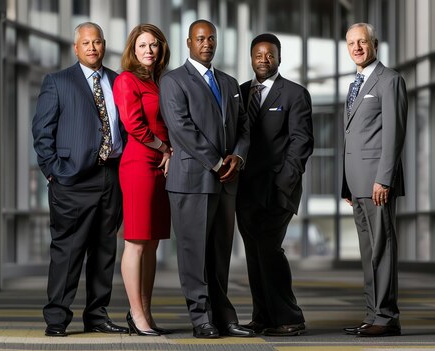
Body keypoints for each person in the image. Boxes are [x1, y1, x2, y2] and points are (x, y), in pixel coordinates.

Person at [32, 22, 128, 337]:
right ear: (76, 48)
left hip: (111, 177)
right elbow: (42, 132)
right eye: (85, 43)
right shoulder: (58, 82)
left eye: (97, 42)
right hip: (72, 181)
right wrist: (53, 172)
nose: (92, 48)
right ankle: (57, 319)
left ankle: (97, 316)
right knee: (68, 251)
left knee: (104, 252)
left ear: (103, 45)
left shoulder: (117, 81)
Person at [159, 19, 253, 339]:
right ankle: (201, 319)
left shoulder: (229, 82)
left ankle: (224, 316)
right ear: (188, 43)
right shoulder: (173, 81)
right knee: (193, 253)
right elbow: (181, 129)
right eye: (200, 39)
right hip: (192, 180)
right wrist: (216, 162)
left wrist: (237, 157)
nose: (207, 44)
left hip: (227, 181)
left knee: (219, 253)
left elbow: (243, 127)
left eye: (211, 38)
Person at [236, 33, 313, 337]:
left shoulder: (295, 94)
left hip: (278, 188)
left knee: (269, 250)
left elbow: (302, 142)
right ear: (251, 58)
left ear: (279, 58)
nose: (264, 60)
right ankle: (263, 316)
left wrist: (284, 182)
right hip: (244, 190)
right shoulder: (239, 93)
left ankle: (290, 317)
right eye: (258, 55)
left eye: (270, 55)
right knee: (254, 253)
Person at [341, 22, 407, 337]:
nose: (357, 47)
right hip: (357, 184)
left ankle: (387, 316)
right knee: (368, 251)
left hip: (377, 183)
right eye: (352, 43)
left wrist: (384, 179)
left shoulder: (389, 80)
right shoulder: (356, 82)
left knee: (382, 248)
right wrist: (346, 184)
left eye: (362, 41)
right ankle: (373, 315)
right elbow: (351, 136)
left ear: (374, 43)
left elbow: (394, 135)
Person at [112, 23, 171, 337]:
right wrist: (164, 148)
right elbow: (134, 124)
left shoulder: (162, 81)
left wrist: (169, 153)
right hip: (139, 162)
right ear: (133, 51)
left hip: (163, 164)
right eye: (143, 46)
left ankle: (146, 310)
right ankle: (135, 312)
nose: (149, 51)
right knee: (136, 241)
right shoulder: (126, 80)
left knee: (152, 243)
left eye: (154, 45)